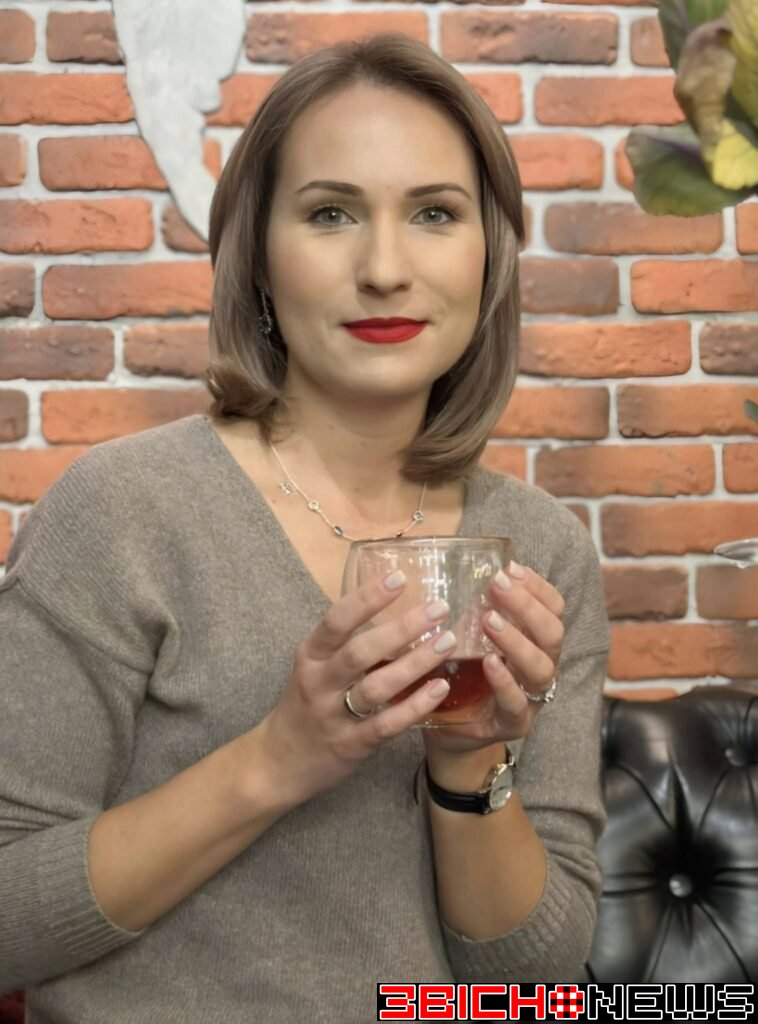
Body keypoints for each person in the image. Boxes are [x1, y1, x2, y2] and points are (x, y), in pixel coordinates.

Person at [0, 34, 611, 1022]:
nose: (384, 268)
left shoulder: (540, 551)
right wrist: (280, 757)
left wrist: (465, 765)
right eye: (330, 213)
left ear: (488, 255)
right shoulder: (120, 513)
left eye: (434, 213)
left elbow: (529, 982)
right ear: (257, 255)